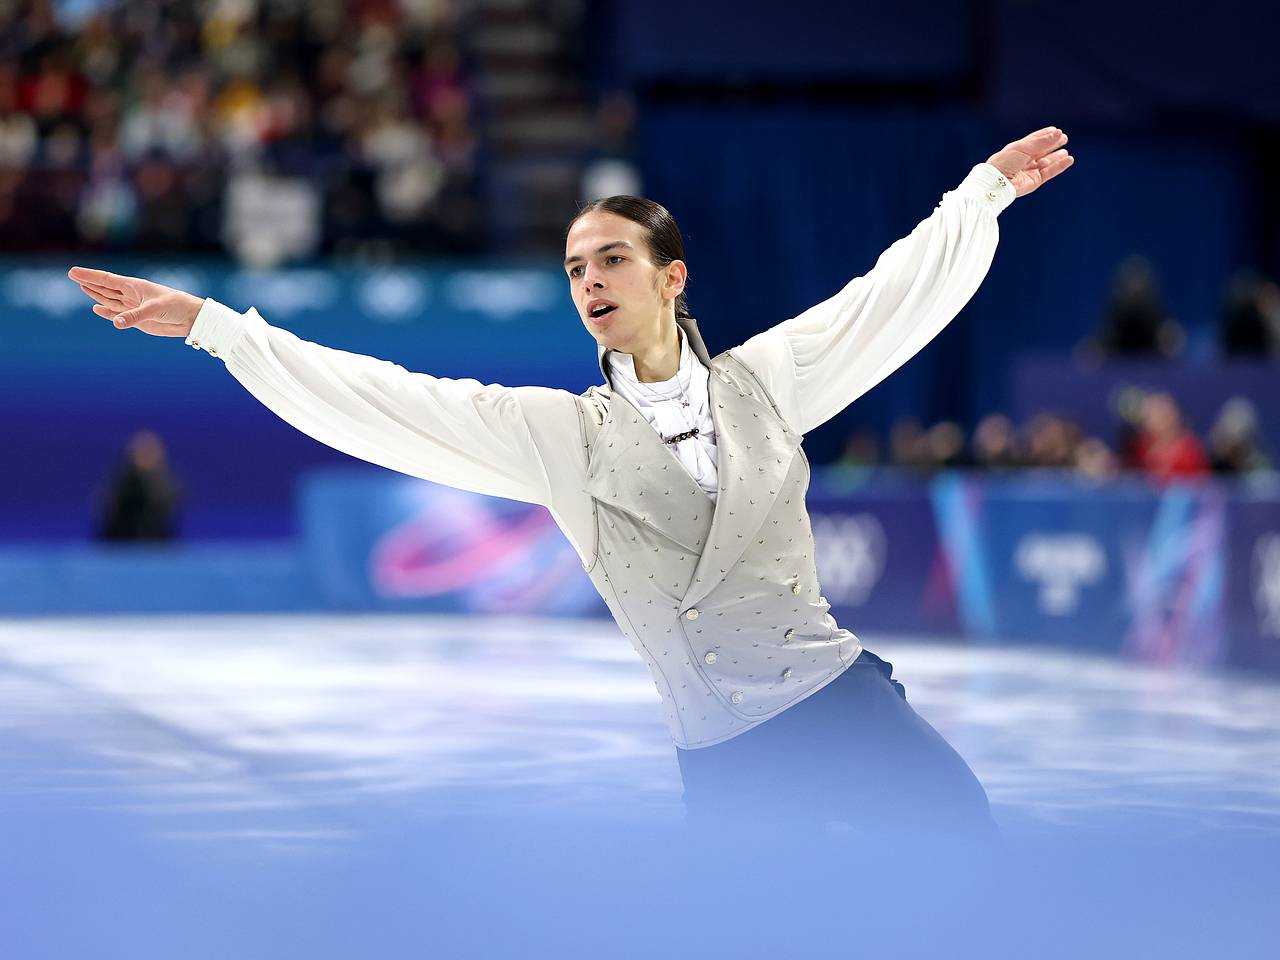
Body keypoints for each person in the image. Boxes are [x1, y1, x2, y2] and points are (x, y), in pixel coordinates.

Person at [68, 126, 1074, 837]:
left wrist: (979, 194)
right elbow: (390, 401)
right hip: (725, 752)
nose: (589, 280)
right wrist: (217, 329)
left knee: (962, 849)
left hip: (840, 702)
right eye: (573, 268)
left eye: (611, 260)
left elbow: (885, 299)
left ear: (671, 277)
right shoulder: (560, 436)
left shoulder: (768, 379)